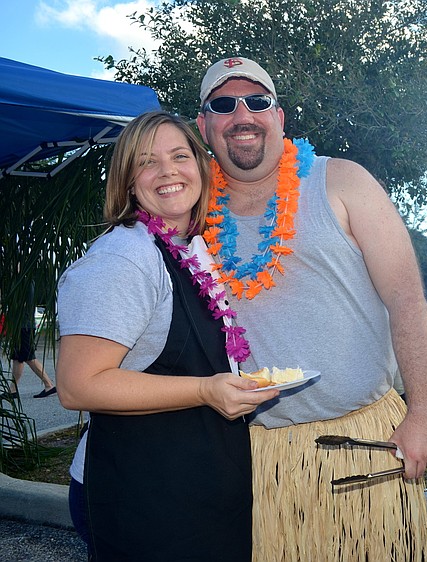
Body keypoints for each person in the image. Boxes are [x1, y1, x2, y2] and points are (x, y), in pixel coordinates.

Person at [195, 57, 427, 560]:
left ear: (279, 117)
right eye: (223, 105)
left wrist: (423, 412)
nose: (241, 114)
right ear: (205, 126)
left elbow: (406, 299)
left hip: (362, 447)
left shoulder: (343, 181)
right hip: (257, 460)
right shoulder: (192, 208)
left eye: (257, 101)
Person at [55, 111, 279, 560]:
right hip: (141, 497)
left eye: (180, 156)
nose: (168, 171)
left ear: (200, 166)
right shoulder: (124, 257)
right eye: (147, 161)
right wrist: (205, 389)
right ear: (128, 180)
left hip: (192, 488)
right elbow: (78, 384)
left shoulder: (188, 249)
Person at [3, 288, 57, 399]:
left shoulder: (24, 283)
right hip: (20, 326)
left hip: (24, 325)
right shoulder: (21, 281)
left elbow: (21, 304)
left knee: (28, 357)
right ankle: (13, 389)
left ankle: (49, 385)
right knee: (17, 357)